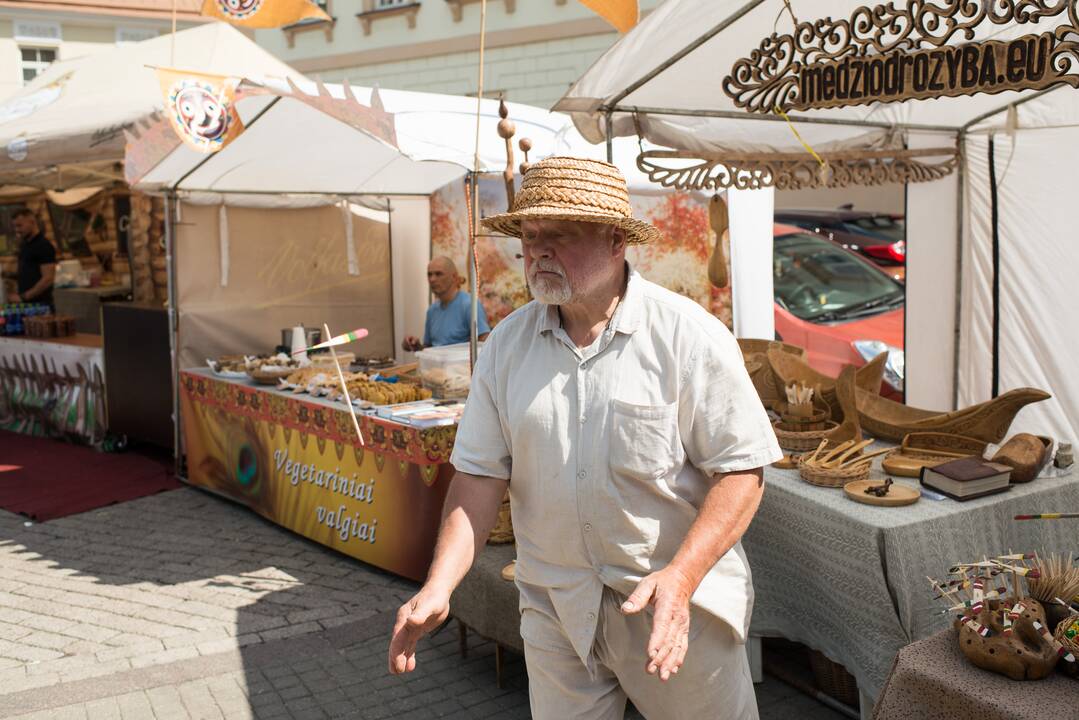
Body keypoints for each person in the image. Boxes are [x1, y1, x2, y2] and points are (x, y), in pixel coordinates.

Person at [388, 157, 782, 719]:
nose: (539, 250)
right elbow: (478, 476)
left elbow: (742, 472)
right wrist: (440, 585)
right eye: (530, 235)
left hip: (671, 606)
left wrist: (682, 575)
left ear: (616, 240)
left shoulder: (689, 337)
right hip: (556, 611)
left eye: (561, 234)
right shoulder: (505, 347)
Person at [401, 256, 490, 352]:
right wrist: (416, 346)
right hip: (436, 366)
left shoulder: (469, 305)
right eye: (429, 274)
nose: (432, 279)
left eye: (438, 274)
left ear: (454, 277)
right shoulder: (432, 310)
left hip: (462, 366)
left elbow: (484, 344)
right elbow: (430, 350)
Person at [5, 209, 56, 307]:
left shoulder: (43, 245)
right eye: (15, 226)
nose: (17, 230)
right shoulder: (25, 244)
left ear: (32, 221)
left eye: (19, 225)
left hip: (41, 306)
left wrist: (23, 297)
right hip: (27, 305)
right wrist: (7, 275)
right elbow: (29, 272)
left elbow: (48, 279)